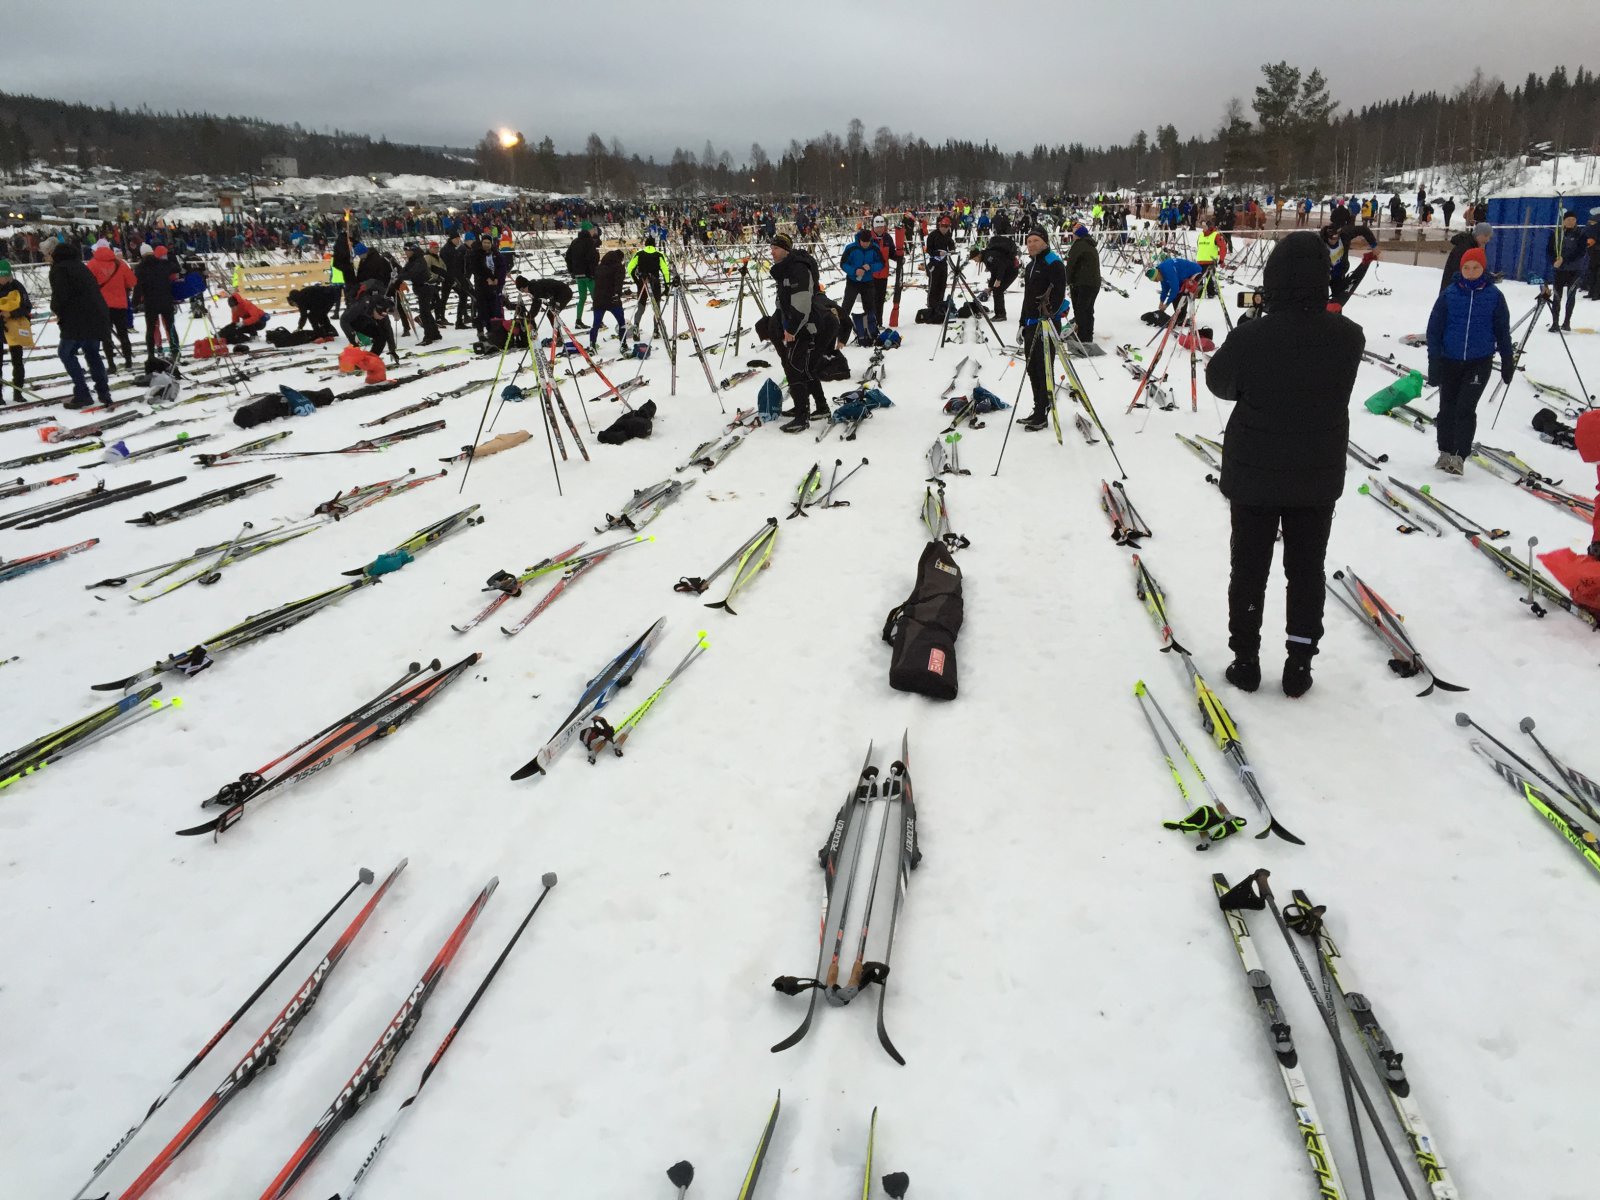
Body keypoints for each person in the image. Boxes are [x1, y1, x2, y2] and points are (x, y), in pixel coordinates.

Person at [1205, 232, 1364, 698]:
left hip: (1255, 469)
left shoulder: (1254, 334)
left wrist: (1255, 325)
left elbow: (1221, 383)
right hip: (1317, 471)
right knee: (1307, 568)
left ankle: (1246, 658)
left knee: (1249, 568)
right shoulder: (1348, 336)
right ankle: (1299, 663)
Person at [1426, 247, 1513, 476]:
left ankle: (1459, 455)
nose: (1471, 272)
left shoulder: (1494, 296)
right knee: (1447, 408)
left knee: (1465, 408)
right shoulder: (1449, 294)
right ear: (1461, 269)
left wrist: (1507, 360)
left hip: (1479, 361)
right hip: (1450, 360)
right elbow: (1434, 329)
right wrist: (1434, 361)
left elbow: (1502, 331)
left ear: (1483, 269)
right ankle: (1445, 451)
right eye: (1466, 267)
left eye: (1476, 268)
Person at [769, 232, 839, 432]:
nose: (771, 252)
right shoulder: (785, 269)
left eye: (775, 248)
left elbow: (802, 302)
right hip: (793, 323)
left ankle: (802, 416)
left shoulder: (798, 269)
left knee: (796, 368)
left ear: (785, 249)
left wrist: (791, 328)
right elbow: (783, 298)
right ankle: (820, 407)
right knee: (804, 368)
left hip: (804, 326)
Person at [49, 240, 114, 410]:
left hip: (76, 320)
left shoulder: (59, 269)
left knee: (66, 353)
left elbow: (61, 295)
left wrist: (55, 308)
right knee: (92, 353)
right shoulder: (81, 267)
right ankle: (103, 391)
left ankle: (82, 392)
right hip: (97, 316)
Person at [1017, 227, 1067, 432]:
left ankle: (1043, 411)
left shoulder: (1053, 263)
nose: (1031, 244)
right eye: (1028, 241)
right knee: (1032, 368)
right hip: (1030, 324)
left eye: (1035, 240)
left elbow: (1059, 295)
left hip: (1046, 324)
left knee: (1043, 368)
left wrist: (1049, 314)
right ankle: (1038, 407)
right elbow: (1027, 297)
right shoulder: (1030, 266)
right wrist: (1021, 322)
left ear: (1045, 242)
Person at [88, 242, 136, 371]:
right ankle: (128, 361)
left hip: (101, 305)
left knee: (106, 336)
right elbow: (132, 281)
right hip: (120, 304)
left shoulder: (92, 264)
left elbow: (88, 285)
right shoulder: (120, 264)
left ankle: (111, 364)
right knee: (123, 334)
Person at [133, 242, 179, 370]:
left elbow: (138, 288)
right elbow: (176, 268)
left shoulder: (140, 268)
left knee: (151, 328)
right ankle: (175, 350)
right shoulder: (163, 264)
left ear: (142, 254)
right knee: (170, 326)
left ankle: (151, 354)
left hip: (151, 302)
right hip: (166, 299)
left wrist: (135, 303)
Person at [837, 226, 885, 346]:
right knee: (846, 308)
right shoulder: (851, 248)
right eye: (863, 242)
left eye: (867, 242)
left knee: (870, 308)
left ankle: (871, 332)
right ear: (859, 240)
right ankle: (841, 335)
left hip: (868, 282)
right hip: (853, 281)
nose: (865, 244)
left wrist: (871, 267)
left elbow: (882, 263)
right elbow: (843, 264)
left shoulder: (874, 248)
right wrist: (854, 271)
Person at [1547, 210, 1588, 332]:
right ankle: (1555, 323)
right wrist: (1554, 260)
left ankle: (1566, 322)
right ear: (1564, 221)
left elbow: (1581, 252)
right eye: (1568, 219)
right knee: (1557, 295)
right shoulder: (1557, 233)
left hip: (1574, 269)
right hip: (1559, 270)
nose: (1571, 222)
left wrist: (1564, 260)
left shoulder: (1580, 234)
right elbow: (1550, 249)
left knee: (1571, 295)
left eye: (1573, 220)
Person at [341, 281, 399, 363]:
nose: (381, 319)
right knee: (355, 342)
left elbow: (387, 330)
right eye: (380, 316)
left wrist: (392, 349)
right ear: (376, 310)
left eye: (383, 317)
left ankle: (370, 359)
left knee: (382, 336)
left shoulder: (381, 312)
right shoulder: (361, 305)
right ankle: (353, 361)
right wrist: (351, 335)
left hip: (367, 321)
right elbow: (343, 320)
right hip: (353, 321)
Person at [627, 236, 672, 337]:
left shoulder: (639, 254)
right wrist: (667, 285)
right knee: (656, 307)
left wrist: (636, 280)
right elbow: (665, 271)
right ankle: (656, 331)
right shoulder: (659, 254)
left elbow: (629, 268)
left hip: (642, 283)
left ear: (645, 244)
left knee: (641, 307)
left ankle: (636, 328)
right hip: (655, 284)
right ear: (654, 245)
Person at [0, 260, 31, 402]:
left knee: (17, 361)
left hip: (15, 328)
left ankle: (18, 392)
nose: (3, 280)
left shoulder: (17, 286)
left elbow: (27, 307)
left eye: (5, 276)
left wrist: (11, 313)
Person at [399, 243, 442, 344]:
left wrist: (400, 276)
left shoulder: (419, 260)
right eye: (405, 251)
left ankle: (428, 337)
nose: (406, 253)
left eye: (407, 251)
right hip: (421, 287)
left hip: (425, 287)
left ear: (412, 251)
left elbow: (412, 273)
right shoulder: (413, 260)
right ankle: (435, 333)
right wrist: (399, 275)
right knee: (426, 312)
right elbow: (405, 270)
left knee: (424, 313)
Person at [1064, 224, 1101, 340]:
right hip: (1093, 283)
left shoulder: (1079, 245)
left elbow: (1071, 265)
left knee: (1080, 311)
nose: (1072, 235)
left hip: (1082, 283)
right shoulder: (1090, 245)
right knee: (1088, 310)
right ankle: (1088, 334)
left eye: (1074, 233)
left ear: (1078, 235)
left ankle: (1083, 337)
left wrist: (1066, 280)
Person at [1327, 224, 1377, 307]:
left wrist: (1374, 246)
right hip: (1323, 276)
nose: (1332, 241)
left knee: (1337, 304)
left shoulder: (1345, 235)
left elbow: (1364, 229)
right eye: (1330, 238)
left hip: (1338, 274)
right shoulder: (1319, 242)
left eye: (1335, 238)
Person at [972, 233, 1019, 320]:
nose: (975, 261)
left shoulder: (989, 257)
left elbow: (1001, 266)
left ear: (978, 255)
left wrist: (999, 280)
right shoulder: (987, 257)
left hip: (1011, 271)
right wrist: (990, 286)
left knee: (998, 290)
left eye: (974, 259)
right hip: (1008, 270)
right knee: (996, 290)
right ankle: (1000, 314)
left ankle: (1001, 315)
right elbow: (994, 272)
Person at [866, 214, 898, 337]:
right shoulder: (868, 238)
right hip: (871, 275)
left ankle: (879, 322)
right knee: (871, 300)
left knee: (880, 299)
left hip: (883, 274)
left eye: (882, 227)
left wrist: (898, 257)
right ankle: (871, 323)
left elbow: (892, 253)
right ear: (874, 227)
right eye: (878, 227)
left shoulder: (888, 238)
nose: (880, 229)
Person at [589, 248, 627, 350]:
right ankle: (623, 344)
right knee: (621, 322)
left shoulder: (598, 268)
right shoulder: (619, 267)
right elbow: (619, 283)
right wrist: (617, 294)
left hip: (599, 300)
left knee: (596, 324)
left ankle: (592, 343)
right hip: (612, 300)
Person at [1441, 221, 1491, 291]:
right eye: (1486, 236)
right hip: (1454, 290)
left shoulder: (1472, 246)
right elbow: (1459, 271)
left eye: (1489, 237)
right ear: (1479, 235)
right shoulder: (1465, 248)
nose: (1487, 240)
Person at [565, 222, 599, 325]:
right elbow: (592, 258)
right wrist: (593, 272)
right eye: (593, 229)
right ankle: (598, 322)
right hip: (589, 275)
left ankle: (578, 321)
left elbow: (568, 257)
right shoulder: (589, 242)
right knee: (596, 298)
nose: (594, 231)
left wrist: (572, 270)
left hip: (578, 275)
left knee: (582, 298)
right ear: (588, 230)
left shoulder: (575, 242)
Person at [925, 213, 955, 319]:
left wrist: (952, 249)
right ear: (939, 225)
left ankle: (940, 304)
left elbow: (951, 244)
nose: (944, 229)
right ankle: (931, 306)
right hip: (934, 264)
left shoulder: (947, 235)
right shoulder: (933, 235)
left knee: (942, 285)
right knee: (933, 286)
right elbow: (928, 249)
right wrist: (937, 253)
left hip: (943, 264)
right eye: (942, 226)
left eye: (946, 227)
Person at [440, 231, 471, 328]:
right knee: (453, 296)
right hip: (450, 278)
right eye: (457, 239)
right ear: (453, 239)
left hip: (452, 277)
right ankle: (444, 318)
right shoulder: (447, 250)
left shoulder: (452, 248)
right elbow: (448, 266)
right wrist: (453, 279)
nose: (459, 241)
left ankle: (460, 318)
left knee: (447, 297)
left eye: (459, 239)